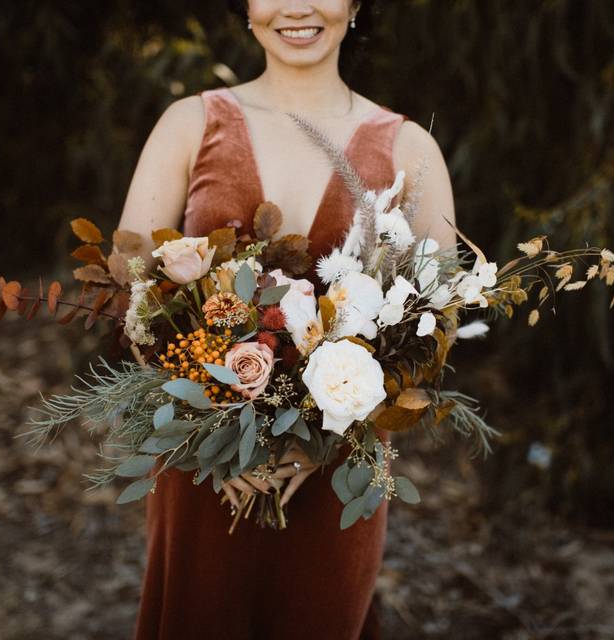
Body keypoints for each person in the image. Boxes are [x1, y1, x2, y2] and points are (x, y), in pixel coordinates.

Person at [117, 1, 457, 637]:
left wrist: (312, 442)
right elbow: (134, 295)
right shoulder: (189, 124)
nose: (297, 7)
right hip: (205, 467)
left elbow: (434, 326)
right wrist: (216, 429)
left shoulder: (412, 149)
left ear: (355, 4)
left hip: (337, 473)